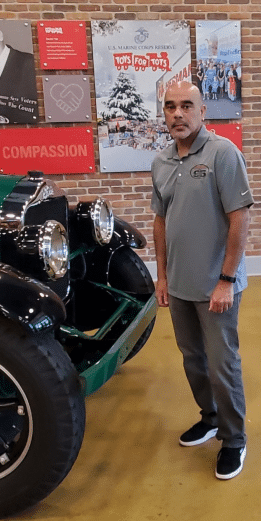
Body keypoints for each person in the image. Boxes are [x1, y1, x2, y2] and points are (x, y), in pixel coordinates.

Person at [151, 80, 253, 481]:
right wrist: (161, 276)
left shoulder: (223, 153)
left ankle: (233, 440)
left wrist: (226, 279)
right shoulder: (160, 161)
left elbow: (240, 217)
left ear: (202, 110)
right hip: (178, 285)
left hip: (216, 288)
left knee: (222, 365)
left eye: (187, 106)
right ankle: (209, 418)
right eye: (170, 106)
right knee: (193, 360)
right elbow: (160, 222)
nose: (178, 114)